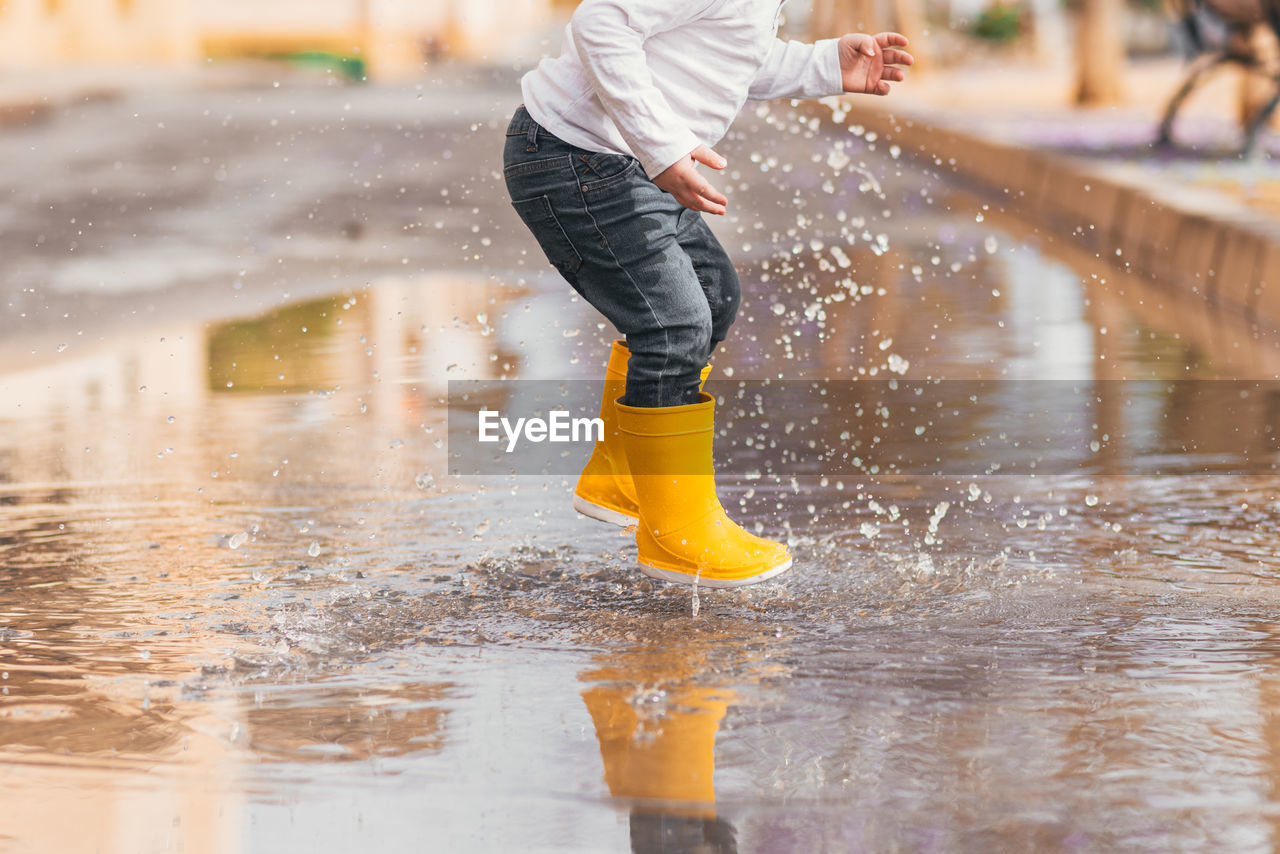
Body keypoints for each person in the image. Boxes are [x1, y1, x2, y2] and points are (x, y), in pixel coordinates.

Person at [502, 0, 912, 589]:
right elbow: (601, 25)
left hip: (626, 163)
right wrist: (663, 144)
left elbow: (731, 50)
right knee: (672, 328)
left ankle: (620, 475)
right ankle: (677, 530)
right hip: (579, 159)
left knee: (713, 295)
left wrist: (824, 65)